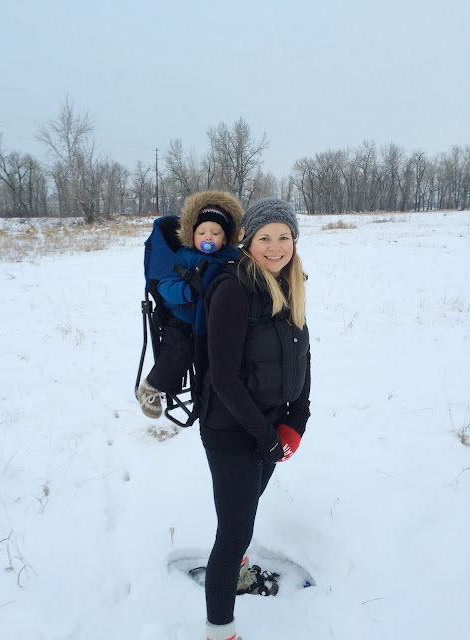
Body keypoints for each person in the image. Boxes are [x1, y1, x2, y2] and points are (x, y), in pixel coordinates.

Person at [199, 198, 311, 640]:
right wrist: (266, 438)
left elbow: (303, 359)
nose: (275, 245)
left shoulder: (291, 284)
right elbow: (223, 377)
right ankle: (219, 631)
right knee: (233, 532)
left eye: (284, 236)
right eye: (264, 237)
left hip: (267, 427)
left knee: (242, 513)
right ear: (248, 243)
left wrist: (296, 423)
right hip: (230, 429)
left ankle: (239, 571)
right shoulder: (233, 290)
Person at [136, 190, 243, 419]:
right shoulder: (185, 256)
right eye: (201, 232)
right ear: (191, 234)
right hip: (182, 319)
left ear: (224, 238)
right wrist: (186, 291)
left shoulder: (232, 256)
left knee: (219, 358)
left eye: (215, 233)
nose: (208, 237)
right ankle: (151, 387)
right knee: (178, 353)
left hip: (212, 323)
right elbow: (165, 286)